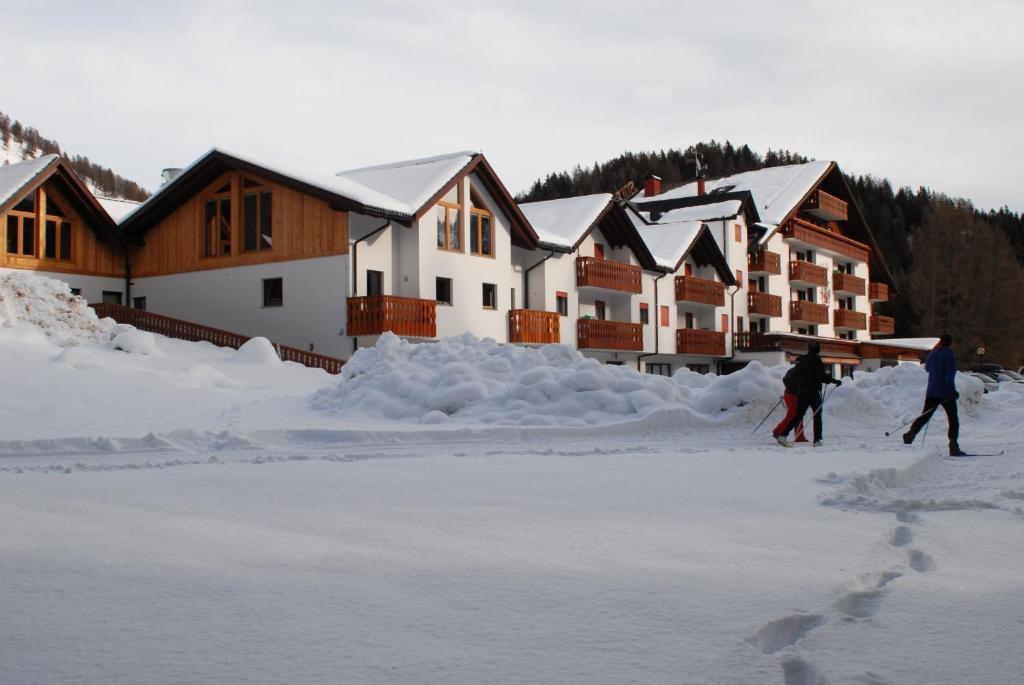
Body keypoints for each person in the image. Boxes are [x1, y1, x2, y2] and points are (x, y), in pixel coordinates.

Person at [773, 341, 842, 447]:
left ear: (808, 349)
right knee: (817, 415)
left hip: (802, 392)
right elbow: (821, 376)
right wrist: (835, 381)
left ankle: (783, 435)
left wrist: (792, 388)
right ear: (818, 349)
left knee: (798, 416)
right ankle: (817, 440)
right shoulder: (817, 360)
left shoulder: (802, 361)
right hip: (813, 392)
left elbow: (793, 376)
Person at [903, 334, 963, 456]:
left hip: (932, 391)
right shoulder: (949, 356)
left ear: (940, 342)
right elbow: (949, 376)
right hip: (946, 393)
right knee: (953, 419)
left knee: (924, 416)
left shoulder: (932, 354)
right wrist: (952, 391)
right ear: (950, 343)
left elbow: (927, 369)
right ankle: (953, 445)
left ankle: (911, 434)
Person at [774, 365, 808, 443]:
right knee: (792, 415)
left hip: (789, 393)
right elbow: (802, 383)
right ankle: (778, 431)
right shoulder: (802, 372)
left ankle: (799, 436)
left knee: (798, 415)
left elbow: (784, 379)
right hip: (794, 395)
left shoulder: (791, 370)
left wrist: (789, 387)